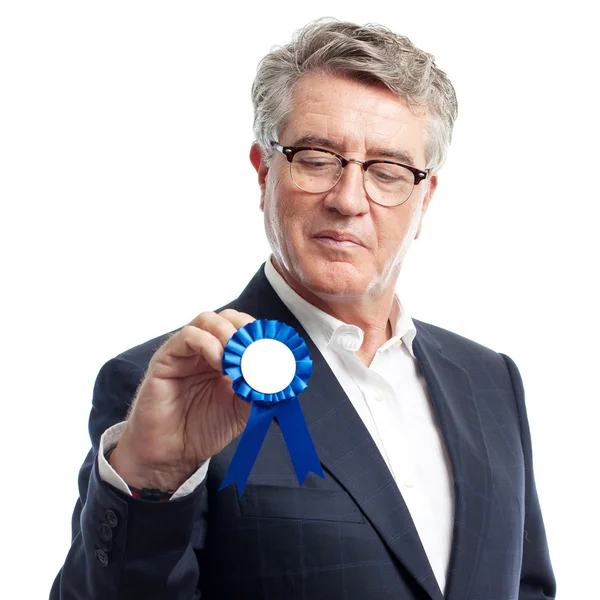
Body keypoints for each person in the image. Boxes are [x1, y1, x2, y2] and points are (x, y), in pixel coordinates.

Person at [50, 18, 556, 600]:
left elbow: (529, 587)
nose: (347, 200)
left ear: (424, 198)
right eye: (316, 158)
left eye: (388, 172)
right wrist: (152, 478)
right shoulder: (166, 388)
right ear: (264, 171)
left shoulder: (491, 380)